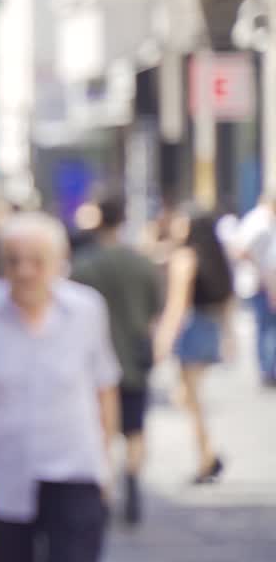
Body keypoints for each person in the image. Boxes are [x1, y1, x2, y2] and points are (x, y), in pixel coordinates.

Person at [0, 213, 121, 562]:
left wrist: (106, 461)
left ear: (60, 263)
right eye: (14, 260)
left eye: (37, 261)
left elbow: (104, 386)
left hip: (73, 467)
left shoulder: (86, 309)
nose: (25, 271)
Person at [70, 197, 164, 525]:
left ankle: (106, 486)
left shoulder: (83, 265)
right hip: (134, 358)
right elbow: (155, 310)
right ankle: (134, 479)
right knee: (135, 428)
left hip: (93, 362)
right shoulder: (141, 263)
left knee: (102, 427)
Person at [153, 211, 234, 484]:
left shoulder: (185, 258)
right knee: (190, 396)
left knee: (191, 398)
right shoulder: (214, 257)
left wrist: (163, 338)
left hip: (192, 329)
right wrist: (228, 335)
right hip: (209, 327)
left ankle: (206, 456)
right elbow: (227, 301)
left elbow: (177, 304)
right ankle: (207, 454)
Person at [232, 195, 276, 384]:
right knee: (268, 327)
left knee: (265, 327)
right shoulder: (261, 222)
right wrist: (260, 268)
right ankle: (269, 369)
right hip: (261, 282)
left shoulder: (257, 219)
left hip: (260, 281)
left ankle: (267, 368)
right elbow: (241, 251)